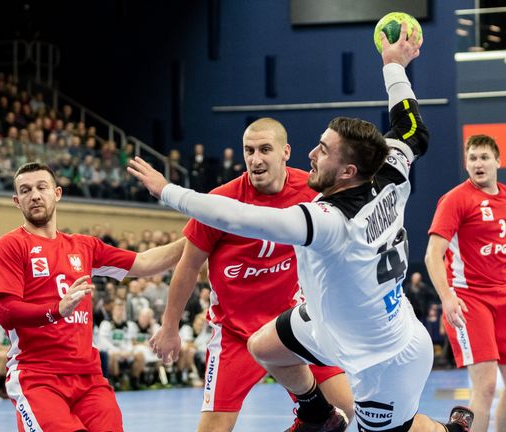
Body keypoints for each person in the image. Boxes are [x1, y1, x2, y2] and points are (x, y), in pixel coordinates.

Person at [130, 24, 473, 432]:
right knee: (265, 346)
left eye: (323, 151)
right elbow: (413, 128)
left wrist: (167, 190)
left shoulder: (329, 222)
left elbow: (236, 216)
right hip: (327, 323)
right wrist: (393, 66)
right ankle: (316, 415)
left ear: (347, 171)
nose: (312, 153)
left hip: (383, 356)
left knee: (390, 429)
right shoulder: (392, 173)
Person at [147, 117, 352, 431]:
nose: (256, 159)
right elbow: (187, 266)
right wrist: (170, 326)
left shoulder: (312, 192)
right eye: (249, 150)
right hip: (235, 335)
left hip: (294, 325)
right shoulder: (220, 202)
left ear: (285, 152)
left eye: (265, 149)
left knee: (351, 412)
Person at [0, 162, 186, 432]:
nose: (34, 195)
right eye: (25, 190)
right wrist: (57, 309)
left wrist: (200, 232)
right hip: (37, 377)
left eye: (41, 187)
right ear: (16, 201)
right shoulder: (10, 246)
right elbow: (6, 313)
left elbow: (146, 262)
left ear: (57, 193)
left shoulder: (83, 246)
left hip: (88, 379)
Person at [424, 134, 506, 432]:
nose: (478, 163)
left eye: (484, 157)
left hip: (505, 298)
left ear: (498, 161)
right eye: (472, 158)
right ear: (467, 163)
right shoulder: (455, 199)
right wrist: (447, 297)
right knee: (485, 386)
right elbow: (433, 255)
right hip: (469, 299)